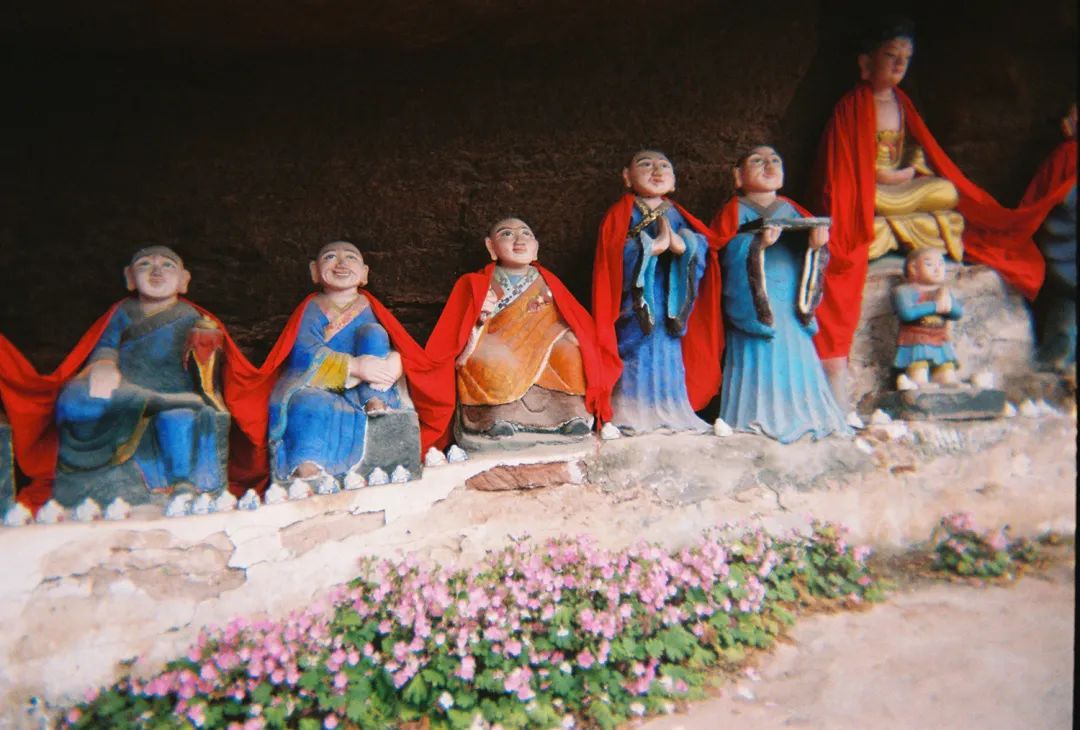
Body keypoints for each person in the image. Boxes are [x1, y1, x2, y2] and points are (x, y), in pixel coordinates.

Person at [812, 17, 1075, 412]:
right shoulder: (852, 106)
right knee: (877, 206)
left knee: (945, 192)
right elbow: (846, 167)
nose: (899, 65)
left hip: (903, 187)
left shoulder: (902, 104)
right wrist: (884, 176)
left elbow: (918, 151)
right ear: (866, 63)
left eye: (906, 58)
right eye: (891, 56)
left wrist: (913, 168)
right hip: (872, 191)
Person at [53, 246, 228, 500]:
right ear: (130, 277)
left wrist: (206, 344)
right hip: (126, 387)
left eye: (167, 265)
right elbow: (106, 345)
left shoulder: (189, 316)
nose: (156, 271)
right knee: (73, 397)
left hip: (173, 388)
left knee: (178, 417)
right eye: (145, 264)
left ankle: (181, 482)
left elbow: (204, 362)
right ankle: (149, 403)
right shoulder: (123, 312)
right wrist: (104, 364)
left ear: (183, 280)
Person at [425, 218, 607, 445]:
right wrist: (479, 316)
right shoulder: (478, 282)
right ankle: (497, 416)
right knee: (497, 363)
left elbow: (564, 317)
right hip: (494, 339)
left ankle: (569, 414)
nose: (519, 240)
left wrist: (569, 333)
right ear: (491, 247)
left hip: (542, 342)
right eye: (507, 234)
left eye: (526, 234)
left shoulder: (547, 282)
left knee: (572, 355)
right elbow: (459, 326)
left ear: (536, 247)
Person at [711, 146, 849, 442]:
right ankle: (754, 416)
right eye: (757, 161)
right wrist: (756, 244)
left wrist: (816, 246)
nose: (769, 166)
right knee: (760, 352)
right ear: (738, 176)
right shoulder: (734, 210)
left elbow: (815, 253)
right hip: (756, 301)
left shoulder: (792, 209)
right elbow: (720, 252)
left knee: (797, 354)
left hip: (790, 298)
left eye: (775, 160)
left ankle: (808, 415)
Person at [592, 149, 722, 435]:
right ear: (627, 177)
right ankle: (632, 411)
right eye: (646, 164)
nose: (657, 170)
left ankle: (674, 410)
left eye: (664, 166)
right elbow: (612, 254)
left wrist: (684, 245)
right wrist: (648, 248)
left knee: (669, 351)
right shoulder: (622, 213)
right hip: (638, 300)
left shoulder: (677, 214)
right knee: (637, 350)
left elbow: (703, 246)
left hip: (670, 297)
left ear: (674, 181)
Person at [268, 241, 421, 482]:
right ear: (314, 271)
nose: (341, 264)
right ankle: (308, 463)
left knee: (373, 332)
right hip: (320, 383)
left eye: (351, 258)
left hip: (367, 386)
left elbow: (399, 342)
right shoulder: (312, 308)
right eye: (330, 257)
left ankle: (375, 399)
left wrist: (395, 361)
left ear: (365, 273)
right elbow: (304, 352)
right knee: (309, 403)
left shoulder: (371, 307)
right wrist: (355, 367)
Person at [1024, 104, 1078, 378]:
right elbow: (1047, 202)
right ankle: (1058, 359)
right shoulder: (1068, 155)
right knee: (1066, 307)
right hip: (1068, 247)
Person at [891, 248, 963, 388]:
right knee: (919, 362)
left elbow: (957, 313)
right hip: (916, 337)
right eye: (929, 265)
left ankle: (945, 379)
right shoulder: (904, 291)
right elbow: (907, 313)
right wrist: (935, 306)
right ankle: (917, 380)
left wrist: (948, 304)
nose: (937, 269)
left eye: (941, 264)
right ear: (913, 268)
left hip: (940, 337)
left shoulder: (943, 292)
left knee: (945, 364)